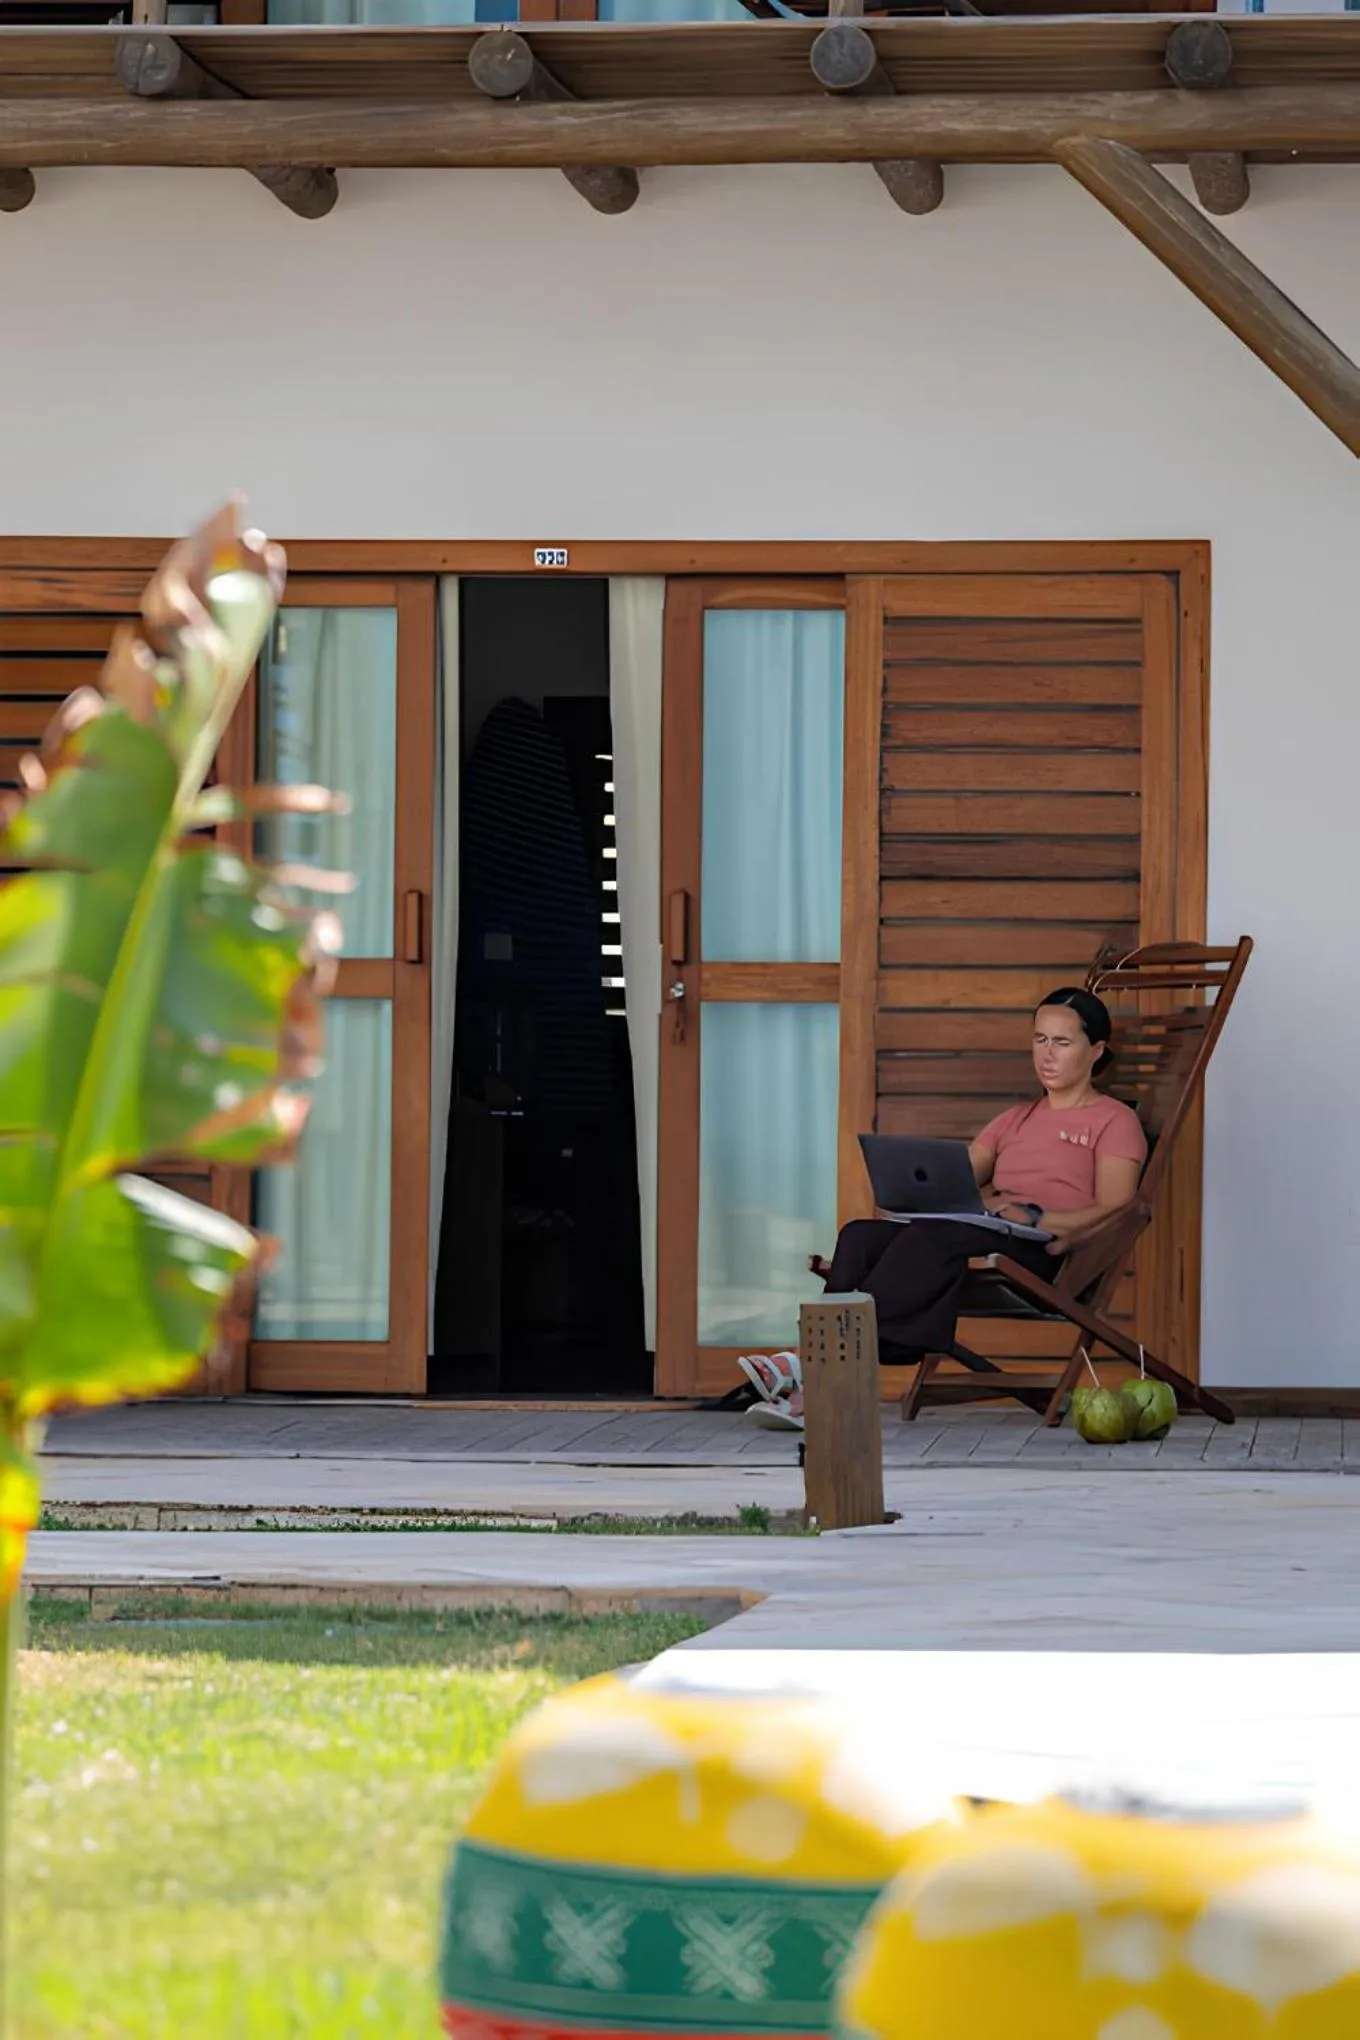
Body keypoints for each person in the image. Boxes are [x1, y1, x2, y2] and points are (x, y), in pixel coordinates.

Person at [746, 987, 1146, 1430]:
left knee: (933, 1237)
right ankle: (818, 1383)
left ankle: (809, 1371)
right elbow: (957, 1178)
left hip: (1044, 1251)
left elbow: (1117, 1209)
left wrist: (1036, 1218)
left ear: (1096, 1050)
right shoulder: (1016, 1117)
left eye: (1062, 1042)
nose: (1047, 1054)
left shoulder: (1115, 1120)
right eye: (1040, 1039)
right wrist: (923, 1193)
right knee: (860, 1236)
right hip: (983, 1232)